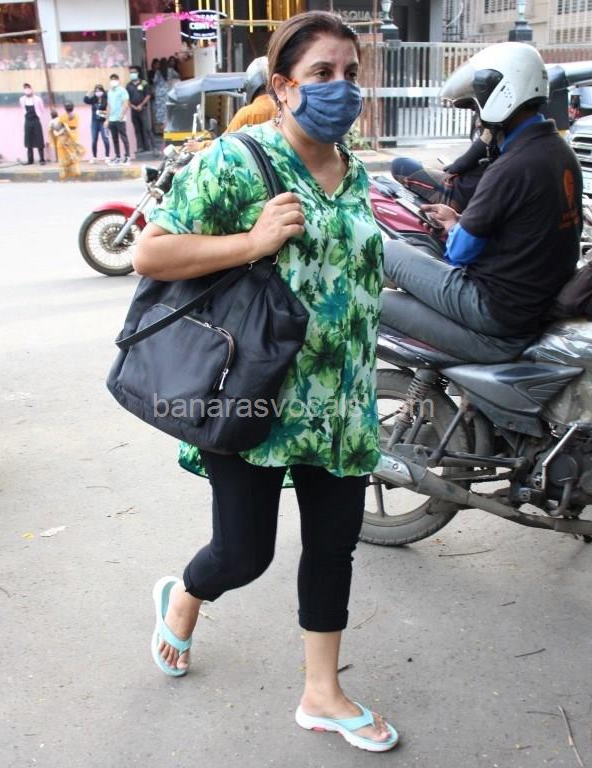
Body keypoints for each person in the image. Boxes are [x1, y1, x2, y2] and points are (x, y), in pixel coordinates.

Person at [132, 10, 399, 754]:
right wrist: (251, 241)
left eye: (351, 74)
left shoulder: (355, 169)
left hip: (341, 403)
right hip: (254, 398)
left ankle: (322, 693)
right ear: (283, 87)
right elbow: (150, 255)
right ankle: (184, 597)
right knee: (245, 554)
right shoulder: (237, 161)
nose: (342, 88)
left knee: (333, 546)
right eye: (322, 74)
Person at [383, 42, 583, 364]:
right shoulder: (561, 153)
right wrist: (458, 221)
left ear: (501, 96)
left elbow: (459, 252)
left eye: (477, 106)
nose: (477, 119)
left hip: (493, 313)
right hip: (533, 305)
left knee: (387, 254)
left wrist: (454, 228)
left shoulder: (512, 166)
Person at [390, 122, 496, 212]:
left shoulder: (495, 128)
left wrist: (452, 169)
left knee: (399, 165)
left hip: (461, 194)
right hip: (477, 191)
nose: (479, 124)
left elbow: (460, 166)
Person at [183, 56, 278, 153]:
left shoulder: (247, 114)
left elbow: (224, 144)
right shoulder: (283, 108)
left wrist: (200, 146)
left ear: (250, 84)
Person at [48, 102, 84, 180]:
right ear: (73, 108)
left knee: (63, 158)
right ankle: (75, 174)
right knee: (72, 157)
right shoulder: (77, 116)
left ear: (65, 109)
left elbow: (57, 127)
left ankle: (63, 176)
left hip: (63, 140)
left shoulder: (63, 117)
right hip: (73, 138)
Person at [126, 65, 154, 153]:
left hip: (143, 109)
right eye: (131, 73)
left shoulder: (143, 83)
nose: (132, 74)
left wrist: (141, 105)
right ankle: (140, 147)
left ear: (138, 73)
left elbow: (148, 95)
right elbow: (126, 98)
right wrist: (133, 106)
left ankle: (153, 147)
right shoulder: (128, 85)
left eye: (134, 72)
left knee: (147, 128)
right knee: (137, 129)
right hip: (134, 110)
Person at [105, 73, 130, 165]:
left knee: (124, 138)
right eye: (112, 79)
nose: (113, 81)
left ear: (118, 80)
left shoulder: (122, 91)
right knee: (114, 139)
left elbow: (126, 104)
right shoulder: (109, 92)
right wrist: (107, 119)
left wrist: (122, 115)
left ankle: (127, 157)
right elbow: (108, 106)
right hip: (112, 119)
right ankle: (118, 157)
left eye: (115, 79)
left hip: (120, 119)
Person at [19, 83, 45, 165]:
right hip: (27, 120)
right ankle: (30, 160)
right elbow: (22, 109)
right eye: (25, 88)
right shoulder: (22, 99)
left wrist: (38, 115)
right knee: (28, 140)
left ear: (31, 88)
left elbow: (42, 109)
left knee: (39, 139)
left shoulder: (38, 99)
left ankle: (42, 159)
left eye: (28, 87)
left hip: (36, 120)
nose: (27, 89)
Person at [83, 83, 110, 162]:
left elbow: (109, 110)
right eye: (96, 91)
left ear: (103, 91)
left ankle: (107, 157)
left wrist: (106, 119)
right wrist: (88, 92)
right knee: (94, 140)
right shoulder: (93, 99)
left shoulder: (106, 99)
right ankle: (94, 157)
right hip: (94, 122)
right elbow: (85, 100)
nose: (98, 92)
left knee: (105, 139)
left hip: (103, 122)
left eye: (99, 91)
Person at [152, 57, 179, 133]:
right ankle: (166, 126)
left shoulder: (158, 72)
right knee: (166, 109)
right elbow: (177, 75)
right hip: (167, 92)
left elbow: (155, 81)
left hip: (159, 93)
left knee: (160, 110)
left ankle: (161, 128)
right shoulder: (170, 70)